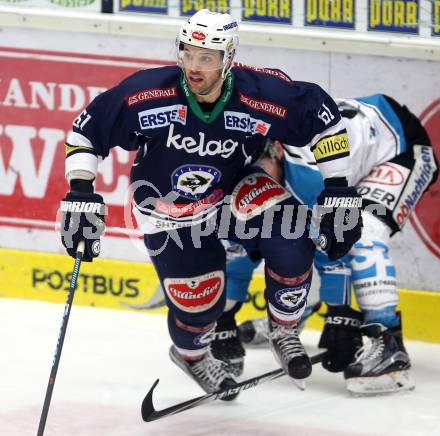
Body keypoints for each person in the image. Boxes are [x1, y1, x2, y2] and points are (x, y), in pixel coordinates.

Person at [59, 9, 363, 398]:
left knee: (292, 239)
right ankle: (192, 357)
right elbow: (87, 130)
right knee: (200, 305)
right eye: (188, 54)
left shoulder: (261, 93)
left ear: (228, 59)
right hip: (169, 209)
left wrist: (338, 187)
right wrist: (80, 191)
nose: (194, 67)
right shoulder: (147, 92)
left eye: (206, 57)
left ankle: (284, 328)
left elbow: (325, 119)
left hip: (234, 190)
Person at [212, 95, 438, 395]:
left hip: (401, 147)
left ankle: (389, 344)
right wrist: (223, 316)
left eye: (262, 172)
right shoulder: (248, 172)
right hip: (354, 152)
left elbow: (333, 242)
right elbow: (237, 246)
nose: (258, 184)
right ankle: (291, 320)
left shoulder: (309, 172)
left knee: (365, 231)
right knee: (284, 234)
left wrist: (339, 311)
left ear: (277, 150)